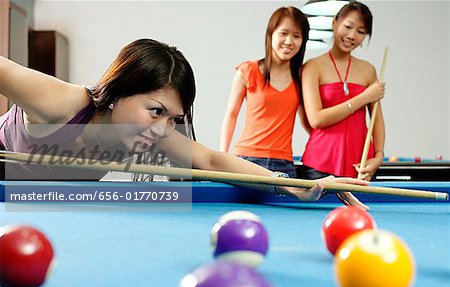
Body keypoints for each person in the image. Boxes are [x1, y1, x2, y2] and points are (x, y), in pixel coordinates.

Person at [0, 38, 368, 208]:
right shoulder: (61, 103)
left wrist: (295, 186)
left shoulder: (149, 135)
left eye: (173, 118)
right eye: (156, 110)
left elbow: (210, 160)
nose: (163, 128)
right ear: (121, 89)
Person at [220, 6, 311, 179]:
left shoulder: (302, 76)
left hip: (283, 164)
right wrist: (222, 155)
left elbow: (309, 121)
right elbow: (231, 115)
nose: (289, 41)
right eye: (283, 33)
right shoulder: (248, 70)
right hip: (246, 160)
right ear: (271, 34)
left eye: (297, 36)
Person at [299, 1, 386, 181]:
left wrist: (378, 157)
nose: (352, 35)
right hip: (320, 163)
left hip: (361, 165)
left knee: (361, 211)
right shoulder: (312, 67)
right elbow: (316, 119)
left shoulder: (368, 70)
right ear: (334, 23)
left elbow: (377, 120)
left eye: (361, 32)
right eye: (347, 26)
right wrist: (363, 98)